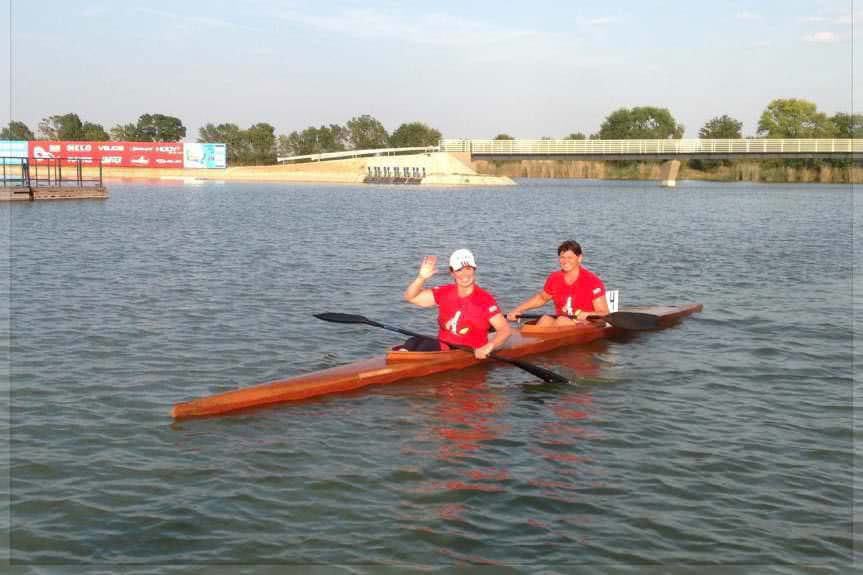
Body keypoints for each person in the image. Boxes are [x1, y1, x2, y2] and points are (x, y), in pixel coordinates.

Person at [402, 249, 511, 359]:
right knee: (414, 341)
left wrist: (489, 346)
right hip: (442, 347)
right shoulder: (445, 292)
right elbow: (411, 297)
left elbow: (504, 330)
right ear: (452, 273)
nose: (465, 274)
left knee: (425, 345)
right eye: (459, 270)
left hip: (469, 352)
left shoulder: (485, 299)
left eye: (468, 269)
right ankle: (402, 356)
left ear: (474, 270)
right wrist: (421, 278)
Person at [506, 240, 608, 327]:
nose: (565, 261)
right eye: (562, 257)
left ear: (579, 258)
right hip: (562, 322)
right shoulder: (554, 277)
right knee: (545, 319)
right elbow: (541, 298)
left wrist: (588, 314)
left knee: (561, 321)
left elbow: (604, 313)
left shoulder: (592, 281)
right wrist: (518, 310)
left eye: (570, 257)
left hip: (585, 324)